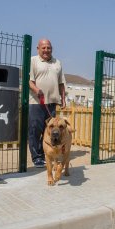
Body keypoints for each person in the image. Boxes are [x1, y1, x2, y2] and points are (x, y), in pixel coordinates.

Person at [28, 39, 66, 168]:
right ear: (38, 48)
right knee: (35, 129)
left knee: (50, 131)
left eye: (48, 48)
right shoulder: (33, 60)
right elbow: (29, 81)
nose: (46, 50)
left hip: (52, 102)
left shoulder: (57, 63)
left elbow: (61, 83)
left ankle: (47, 154)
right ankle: (37, 157)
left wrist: (63, 99)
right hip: (36, 102)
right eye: (43, 48)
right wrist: (37, 90)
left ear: (52, 49)